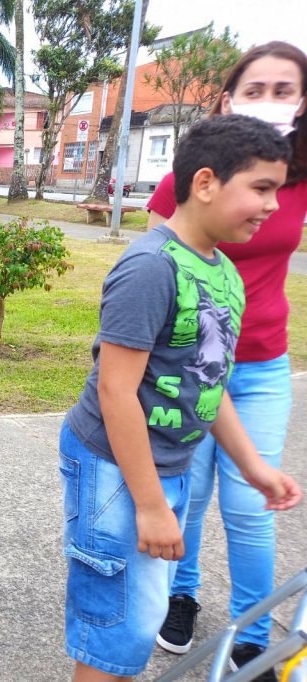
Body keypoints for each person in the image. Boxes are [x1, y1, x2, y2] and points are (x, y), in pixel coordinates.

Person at [61, 115, 302, 681]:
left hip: (162, 467)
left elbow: (210, 385)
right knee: (113, 624)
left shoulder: (224, 274)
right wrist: (149, 504)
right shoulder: (151, 268)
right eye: (262, 188)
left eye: (279, 190)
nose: (273, 205)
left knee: (141, 616)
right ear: (206, 183)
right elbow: (117, 391)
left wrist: (253, 467)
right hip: (113, 469)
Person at [146, 42, 307, 678]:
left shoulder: (294, 184)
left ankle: (252, 633)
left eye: (284, 90)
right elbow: (154, 268)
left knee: (250, 504)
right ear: (226, 100)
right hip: (190, 364)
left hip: (261, 364)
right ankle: (180, 596)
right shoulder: (190, 177)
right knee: (186, 492)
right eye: (255, 89)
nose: (269, 101)